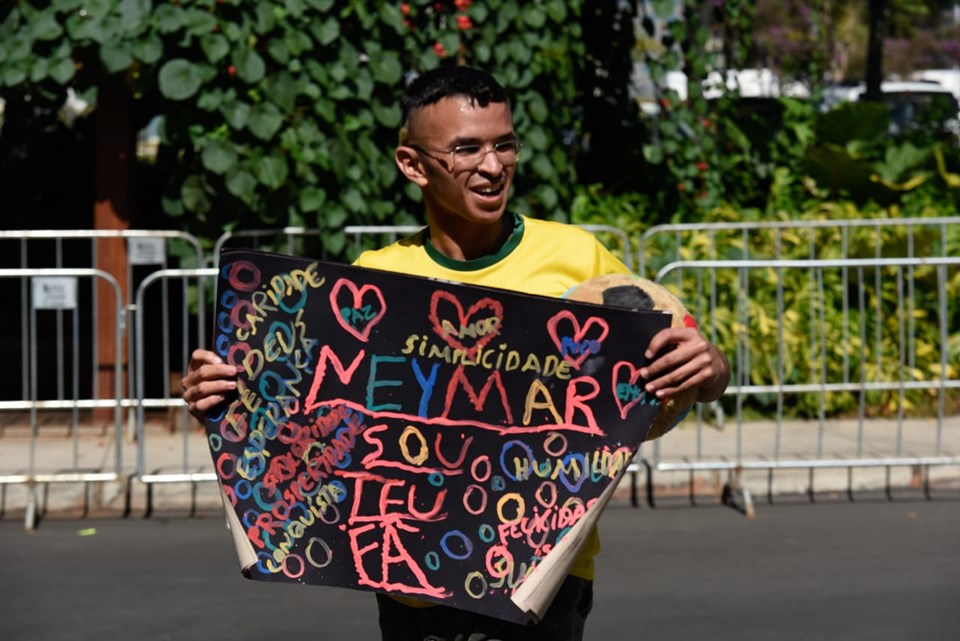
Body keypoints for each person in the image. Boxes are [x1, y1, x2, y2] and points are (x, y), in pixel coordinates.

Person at [182, 65, 730, 641]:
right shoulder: (374, 281)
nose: (493, 167)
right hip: (409, 588)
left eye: (505, 145)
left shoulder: (581, 261)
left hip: (539, 582)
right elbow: (304, 424)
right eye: (466, 149)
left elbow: (661, 382)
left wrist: (709, 369)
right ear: (412, 165)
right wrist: (223, 401)